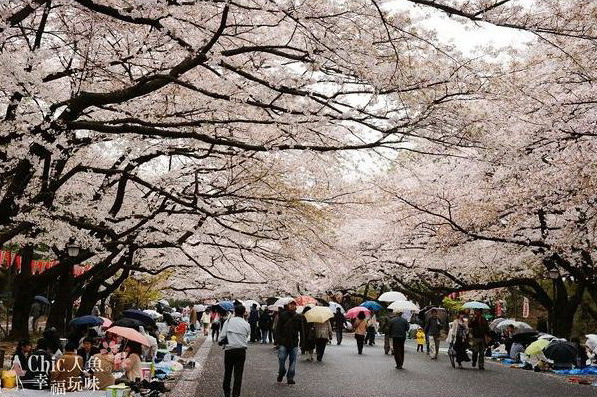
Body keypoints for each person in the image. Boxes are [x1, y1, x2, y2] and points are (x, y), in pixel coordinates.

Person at [219, 304, 251, 397]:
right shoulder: (246, 324)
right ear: (244, 313)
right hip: (241, 351)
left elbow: (222, 336)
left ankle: (227, 392)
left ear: (235, 312)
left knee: (228, 372)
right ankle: (236, 394)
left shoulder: (228, 322)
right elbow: (247, 337)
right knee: (238, 374)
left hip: (229, 350)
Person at [275, 300, 303, 385]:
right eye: (291, 304)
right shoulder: (283, 315)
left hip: (294, 342)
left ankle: (290, 377)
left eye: (294, 305)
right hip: (283, 342)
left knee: (293, 360)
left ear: (296, 306)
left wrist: (302, 342)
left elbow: (301, 330)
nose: (292, 306)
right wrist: (277, 340)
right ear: (288, 306)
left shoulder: (298, 317)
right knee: (281, 359)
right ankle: (281, 372)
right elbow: (278, 328)